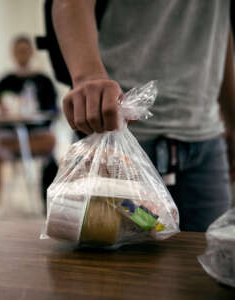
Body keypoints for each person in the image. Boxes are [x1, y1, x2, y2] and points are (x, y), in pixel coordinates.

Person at [52, 0, 235, 231]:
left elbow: (218, 29)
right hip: (114, 141)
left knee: (206, 259)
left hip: (206, 141)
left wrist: (231, 119)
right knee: (106, 262)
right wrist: (88, 77)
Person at [0, 35, 58, 215]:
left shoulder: (43, 80)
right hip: (10, 133)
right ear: (13, 53)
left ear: (31, 52)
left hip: (37, 135)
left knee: (51, 140)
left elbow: (53, 111)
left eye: (25, 51)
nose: (22, 55)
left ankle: (8, 145)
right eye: (18, 51)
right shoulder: (5, 81)